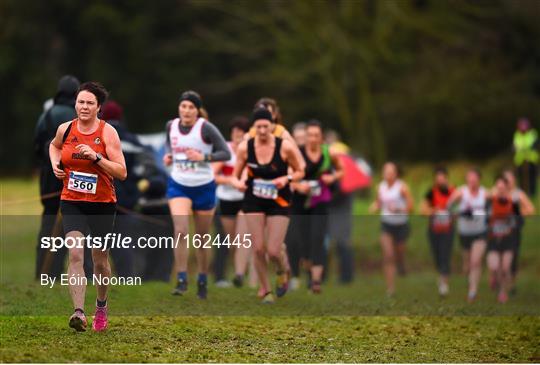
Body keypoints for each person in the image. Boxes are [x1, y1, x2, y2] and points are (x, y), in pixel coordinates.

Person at [49, 81, 127, 332]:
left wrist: (96, 157)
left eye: (89, 103)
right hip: (71, 200)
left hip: (102, 203)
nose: (84, 107)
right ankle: (79, 313)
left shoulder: (107, 132)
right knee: (75, 254)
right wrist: (55, 165)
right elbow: (54, 145)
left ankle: (101, 306)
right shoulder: (66, 128)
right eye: (80, 102)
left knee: (100, 260)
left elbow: (122, 172)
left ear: (98, 107)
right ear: (75, 104)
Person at [232, 108, 304, 303]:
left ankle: (282, 270)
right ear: (254, 128)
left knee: (273, 250)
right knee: (257, 249)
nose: (263, 130)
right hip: (253, 199)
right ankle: (266, 290)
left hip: (278, 200)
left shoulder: (285, 147)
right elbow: (235, 176)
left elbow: (300, 171)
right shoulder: (245, 148)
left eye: (266, 126)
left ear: (272, 126)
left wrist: (286, 178)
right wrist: (238, 183)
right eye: (259, 127)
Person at [164, 90, 230, 299]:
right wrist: (169, 157)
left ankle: (202, 279)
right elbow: (171, 147)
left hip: (203, 185)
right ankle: (182, 278)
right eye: (183, 106)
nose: (186, 110)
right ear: (179, 108)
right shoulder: (171, 126)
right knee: (181, 231)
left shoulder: (206, 128)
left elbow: (225, 153)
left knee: (202, 238)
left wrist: (204, 156)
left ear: (197, 110)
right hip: (179, 184)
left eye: (191, 107)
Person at [287, 120, 344, 293]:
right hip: (300, 202)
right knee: (303, 242)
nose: (312, 138)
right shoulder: (297, 153)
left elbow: (341, 170)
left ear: (321, 137)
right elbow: (289, 177)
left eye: (316, 135)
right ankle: (306, 266)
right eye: (309, 135)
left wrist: (332, 178)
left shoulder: (329, 153)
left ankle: (316, 282)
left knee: (318, 237)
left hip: (320, 200)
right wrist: (299, 186)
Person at [33, 75, 80, 280]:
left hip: (49, 182)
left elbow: (37, 147)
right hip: (74, 181)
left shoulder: (47, 115)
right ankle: (73, 274)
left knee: (48, 227)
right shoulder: (79, 115)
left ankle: (44, 273)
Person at [101, 100, 146, 278]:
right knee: (123, 243)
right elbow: (141, 173)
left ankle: (91, 277)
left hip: (102, 200)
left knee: (97, 243)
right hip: (126, 203)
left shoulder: (99, 136)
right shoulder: (133, 140)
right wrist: (134, 196)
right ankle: (126, 278)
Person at [212, 116, 250, 287]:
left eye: (241, 132)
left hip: (245, 200)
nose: (237, 135)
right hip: (226, 199)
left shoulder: (251, 151)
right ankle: (220, 276)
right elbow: (213, 175)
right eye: (235, 132)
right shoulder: (225, 151)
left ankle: (239, 274)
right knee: (226, 240)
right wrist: (231, 181)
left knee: (243, 238)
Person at [369, 162, 414, 296]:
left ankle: (401, 263)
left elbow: (411, 207)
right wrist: (374, 207)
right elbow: (378, 202)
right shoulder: (380, 187)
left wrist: (399, 209)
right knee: (388, 256)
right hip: (386, 224)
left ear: (396, 174)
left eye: (391, 172)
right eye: (386, 171)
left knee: (399, 254)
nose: (388, 174)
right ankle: (390, 289)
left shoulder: (402, 187)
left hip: (401, 225)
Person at [447, 168, 489, 302]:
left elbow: (495, 207)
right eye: (469, 179)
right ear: (466, 180)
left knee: (475, 261)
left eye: (474, 179)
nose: (472, 181)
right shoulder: (461, 192)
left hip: (480, 232)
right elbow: (448, 207)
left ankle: (473, 291)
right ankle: (471, 281)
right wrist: (459, 211)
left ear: (479, 179)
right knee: (467, 266)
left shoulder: (485, 193)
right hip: (464, 233)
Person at [420, 167, 455, 296]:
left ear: (446, 178)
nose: (440, 181)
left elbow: (460, 207)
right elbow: (422, 210)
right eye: (437, 178)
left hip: (448, 229)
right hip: (433, 230)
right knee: (437, 256)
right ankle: (441, 276)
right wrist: (433, 210)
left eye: (442, 178)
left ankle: (444, 283)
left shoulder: (453, 192)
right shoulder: (431, 192)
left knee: (445, 254)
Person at [485, 175, 520, 303]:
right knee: (494, 267)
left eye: (502, 187)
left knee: (505, 268)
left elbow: (519, 221)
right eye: (497, 187)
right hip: (493, 239)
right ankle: (493, 276)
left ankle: (502, 292)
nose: (500, 190)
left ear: (506, 188)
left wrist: (510, 221)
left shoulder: (513, 203)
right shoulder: (489, 201)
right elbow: (485, 220)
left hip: (508, 239)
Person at [501, 169, 535, 294]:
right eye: (505, 179)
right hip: (499, 231)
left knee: (512, 257)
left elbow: (531, 209)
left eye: (509, 179)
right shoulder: (498, 192)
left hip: (514, 231)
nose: (507, 182)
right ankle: (502, 283)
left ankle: (511, 283)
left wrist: (518, 213)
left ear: (514, 180)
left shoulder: (518, 194)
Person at [513, 118, 538, 197]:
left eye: (524, 126)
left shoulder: (533, 133)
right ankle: (522, 194)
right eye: (521, 126)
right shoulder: (516, 134)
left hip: (531, 159)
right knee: (520, 178)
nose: (523, 128)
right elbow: (515, 145)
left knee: (532, 177)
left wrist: (522, 147)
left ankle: (532, 194)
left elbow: (534, 144)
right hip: (520, 160)